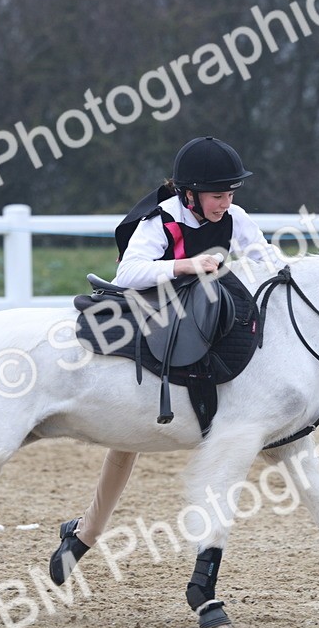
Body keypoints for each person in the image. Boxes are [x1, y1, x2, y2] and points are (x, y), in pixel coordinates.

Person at [48, 135, 283, 584]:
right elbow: (128, 273)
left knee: (128, 442)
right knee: (126, 442)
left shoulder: (235, 216)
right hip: (150, 314)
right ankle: (85, 533)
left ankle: (82, 535)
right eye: (218, 195)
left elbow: (267, 261)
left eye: (231, 194)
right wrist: (185, 265)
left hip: (198, 317)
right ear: (190, 194)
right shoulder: (162, 220)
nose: (226, 203)